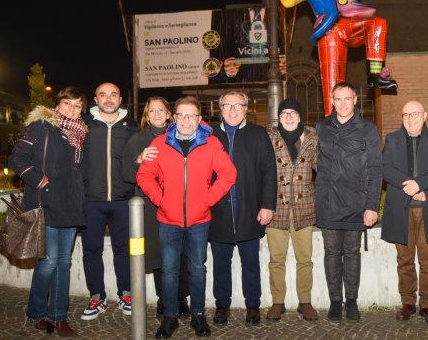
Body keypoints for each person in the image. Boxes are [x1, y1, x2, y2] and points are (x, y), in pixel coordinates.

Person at [137, 96, 236, 338]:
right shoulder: (159, 143)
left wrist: (207, 199)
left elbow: (228, 174)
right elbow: (144, 175)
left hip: (199, 220)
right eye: (181, 115)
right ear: (175, 118)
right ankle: (170, 317)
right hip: (167, 220)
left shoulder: (211, 144)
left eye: (191, 115)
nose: (186, 120)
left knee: (197, 269)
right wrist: (160, 199)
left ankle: (198, 315)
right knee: (169, 270)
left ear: (199, 119)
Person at [276, 0, 400, 116]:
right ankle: (332, 131)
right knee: (332, 94)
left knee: (377, 24)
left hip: (354, 23)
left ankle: (375, 76)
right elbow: (288, 0)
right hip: (329, 32)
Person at [8, 86, 88, 337]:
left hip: (71, 205)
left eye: (77, 106)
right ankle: (37, 312)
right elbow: (17, 158)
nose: (72, 110)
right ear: (57, 105)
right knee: (49, 261)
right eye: (67, 104)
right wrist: (40, 179)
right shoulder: (42, 127)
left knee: (63, 263)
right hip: (48, 203)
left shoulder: (80, 133)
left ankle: (57, 317)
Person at [209, 91, 277, 326]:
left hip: (249, 212)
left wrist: (268, 205)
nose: (233, 110)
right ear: (220, 108)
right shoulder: (209, 135)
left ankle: (253, 306)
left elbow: (270, 172)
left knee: (251, 264)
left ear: (246, 108)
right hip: (217, 213)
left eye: (238, 105)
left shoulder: (258, 134)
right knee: (220, 265)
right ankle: (222, 305)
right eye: (228, 105)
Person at [381, 100, 428, 325]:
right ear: (402, 118)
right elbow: (385, 168)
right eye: (406, 115)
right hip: (401, 209)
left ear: (425, 115)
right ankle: (408, 303)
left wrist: (421, 185)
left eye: (415, 114)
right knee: (404, 259)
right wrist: (409, 186)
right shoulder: (392, 139)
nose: (411, 119)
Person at [315, 82, 382, 321]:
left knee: (352, 252)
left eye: (347, 99)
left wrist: (372, 205)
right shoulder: (321, 127)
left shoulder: (368, 130)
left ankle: (351, 300)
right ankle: (335, 301)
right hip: (328, 202)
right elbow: (315, 161)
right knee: (331, 252)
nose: (342, 104)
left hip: (356, 204)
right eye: (338, 99)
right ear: (332, 102)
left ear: (355, 100)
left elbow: (376, 169)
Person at [121, 96, 190, 319]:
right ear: (146, 115)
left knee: (181, 252)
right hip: (151, 206)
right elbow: (126, 175)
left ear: (170, 113)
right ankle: (165, 299)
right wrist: (139, 159)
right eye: (152, 111)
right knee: (160, 255)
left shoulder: (181, 135)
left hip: (180, 203)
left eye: (162, 110)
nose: (157, 114)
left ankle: (181, 297)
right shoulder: (137, 140)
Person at [80, 82, 139, 320]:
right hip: (90, 200)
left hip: (122, 199)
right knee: (91, 250)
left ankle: (125, 294)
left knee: (124, 250)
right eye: (103, 95)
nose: (108, 99)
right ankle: (97, 296)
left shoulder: (132, 126)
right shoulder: (82, 125)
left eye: (113, 94)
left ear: (120, 98)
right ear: (95, 99)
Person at [265, 98, 320, 321]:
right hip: (276, 207)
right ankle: (278, 302)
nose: (289, 116)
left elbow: (322, 167)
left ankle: (304, 302)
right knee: (276, 258)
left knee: (304, 258)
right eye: (284, 113)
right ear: (279, 117)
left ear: (300, 116)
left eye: (293, 113)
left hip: (304, 207)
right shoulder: (268, 137)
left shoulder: (313, 138)